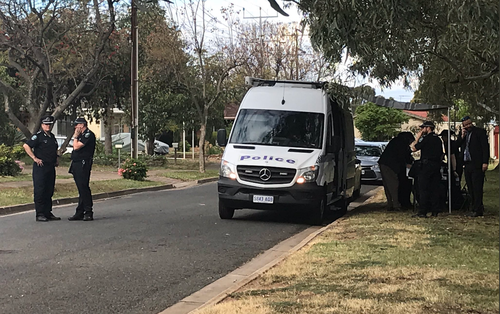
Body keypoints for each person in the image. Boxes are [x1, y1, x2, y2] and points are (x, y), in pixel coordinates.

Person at [23, 115, 61, 222]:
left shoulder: (52, 137)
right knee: (40, 190)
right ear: (42, 125)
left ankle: (47, 212)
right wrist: (34, 158)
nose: (47, 126)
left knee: (49, 190)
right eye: (45, 124)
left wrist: (56, 159)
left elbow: (54, 149)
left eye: (49, 124)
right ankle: (40, 213)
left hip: (50, 167)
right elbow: (26, 146)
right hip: (41, 167)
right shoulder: (38, 136)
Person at [455, 116, 489, 217]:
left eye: (469, 124)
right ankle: (474, 206)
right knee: (470, 187)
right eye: (466, 125)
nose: (468, 126)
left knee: (477, 187)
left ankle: (478, 209)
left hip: (477, 164)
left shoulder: (479, 132)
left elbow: (485, 147)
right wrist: (462, 135)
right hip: (467, 163)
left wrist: (485, 162)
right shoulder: (464, 135)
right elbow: (456, 145)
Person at [410, 121, 443, 217]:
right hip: (436, 166)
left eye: (423, 128)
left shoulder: (426, 139)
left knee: (423, 188)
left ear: (428, 128)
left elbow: (414, 148)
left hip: (426, 166)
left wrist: (418, 137)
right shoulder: (438, 139)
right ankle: (435, 210)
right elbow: (441, 154)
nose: (421, 129)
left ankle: (422, 211)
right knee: (435, 188)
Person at [68, 118, 96, 221]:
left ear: (82, 125)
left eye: (76, 125)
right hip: (76, 163)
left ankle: (88, 211)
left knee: (83, 187)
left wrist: (75, 136)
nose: (75, 127)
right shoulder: (81, 135)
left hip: (83, 163)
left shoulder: (88, 135)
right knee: (80, 188)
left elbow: (76, 147)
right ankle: (80, 211)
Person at [378, 132, 415, 211]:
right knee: (393, 185)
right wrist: (407, 163)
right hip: (390, 165)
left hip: (384, 163)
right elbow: (402, 156)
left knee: (387, 185)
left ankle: (390, 204)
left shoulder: (396, 141)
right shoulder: (401, 143)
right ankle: (396, 205)